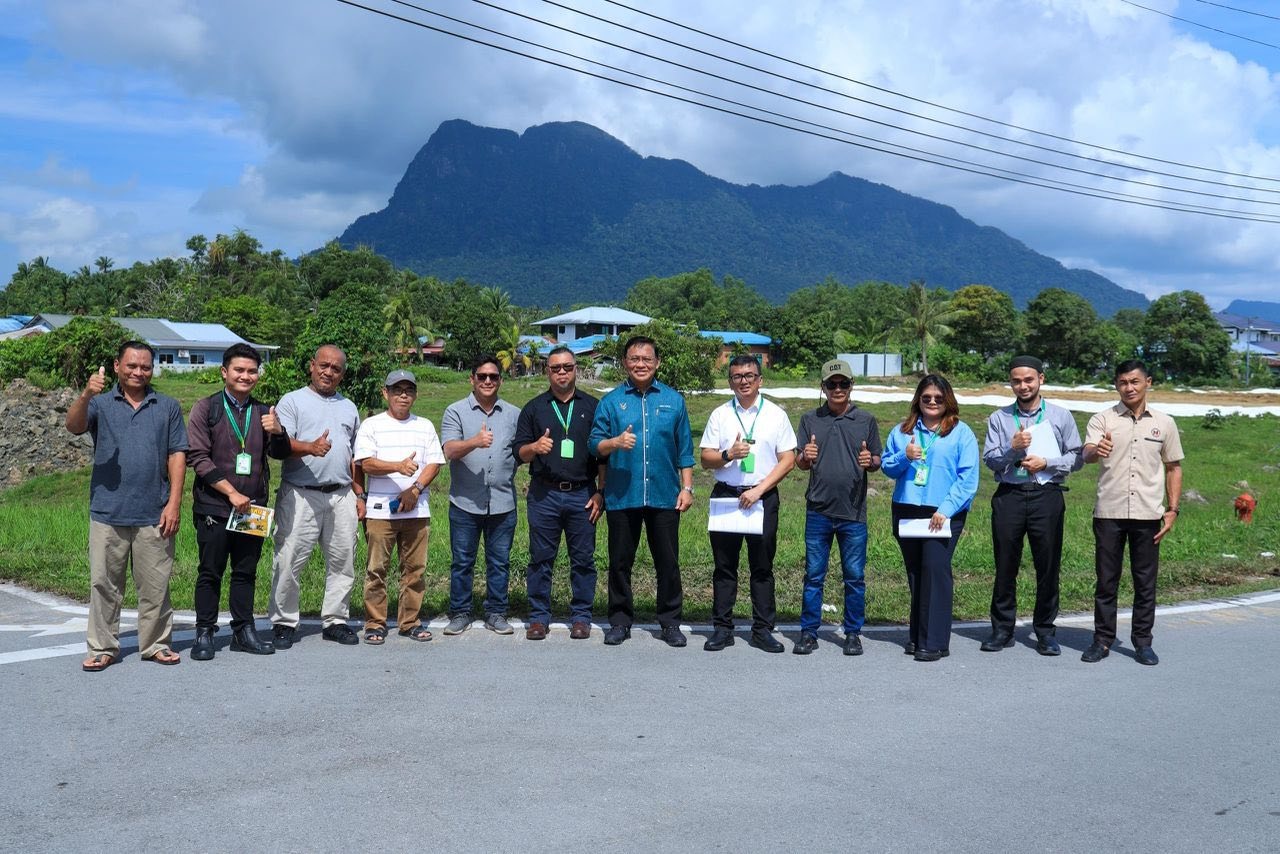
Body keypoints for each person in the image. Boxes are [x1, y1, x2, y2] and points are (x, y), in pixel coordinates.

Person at [66, 341, 188, 671]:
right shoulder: (100, 403)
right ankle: (103, 647)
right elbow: (74, 426)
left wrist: (174, 503)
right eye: (131, 365)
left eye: (145, 366)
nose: (138, 372)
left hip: (155, 511)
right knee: (103, 584)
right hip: (108, 511)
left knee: (156, 585)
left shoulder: (167, 406)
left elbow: (177, 454)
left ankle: (156, 644)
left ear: (153, 369)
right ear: (117, 366)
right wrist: (86, 394)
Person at [186, 343, 291, 661]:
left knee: (245, 572)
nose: (246, 376)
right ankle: (204, 632)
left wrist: (279, 432)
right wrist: (231, 492)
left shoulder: (263, 412)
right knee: (210, 571)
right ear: (224, 372)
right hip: (215, 507)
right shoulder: (207, 408)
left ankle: (243, 632)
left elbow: (279, 454)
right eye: (239, 370)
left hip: (252, 510)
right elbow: (197, 457)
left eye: (252, 371)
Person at [589, 335, 695, 647]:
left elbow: (685, 450)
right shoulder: (611, 402)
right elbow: (594, 445)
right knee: (620, 562)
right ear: (625, 363)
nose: (640, 364)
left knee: (668, 563)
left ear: (657, 362)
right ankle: (620, 622)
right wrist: (615, 442)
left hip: (664, 494)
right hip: (623, 495)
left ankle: (670, 622)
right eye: (634, 359)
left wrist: (687, 488)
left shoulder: (674, 400)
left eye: (647, 359)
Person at [1080, 360, 1183, 666]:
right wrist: (1095, 450)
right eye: (1123, 382)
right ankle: (1102, 640)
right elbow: (1086, 454)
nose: (1129, 388)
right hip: (1109, 513)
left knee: (1145, 583)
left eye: (1135, 381)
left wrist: (1172, 509)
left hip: (1148, 514)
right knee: (1106, 581)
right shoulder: (1103, 419)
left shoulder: (1164, 423)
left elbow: (1173, 467)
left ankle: (1143, 642)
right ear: (1116, 385)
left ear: (1147, 382)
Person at [980, 355, 1083, 656]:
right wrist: (1012, 450)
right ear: (1010, 383)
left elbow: (1077, 457)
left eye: (1028, 379)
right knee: (1005, 565)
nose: (1023, 386)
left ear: (1041, 379)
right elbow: (990, 460)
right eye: (1016, 381)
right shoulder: (999, 418)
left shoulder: (1061, 416)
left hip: (1046, 495)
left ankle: (1046, 631)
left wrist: (1047, 462)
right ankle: (1002, 629)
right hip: (1010, 495)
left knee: (1047, 566)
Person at [699, 356, 796, 653]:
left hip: (762, 497)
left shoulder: (776, 415)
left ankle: (762, 630)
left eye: (749, 375)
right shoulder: (720, 415)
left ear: (760, 379)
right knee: (724, 567)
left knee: (762, 567)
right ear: (730, 382)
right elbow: (705, 459)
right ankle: (722, 629)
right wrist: (728, 454)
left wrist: (759, 490)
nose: (744, 381)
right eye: (737, 376)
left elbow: (788, 459)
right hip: (727, 496)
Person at [268, 344, 363, 649]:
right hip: (300, 493)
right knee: (289, 560)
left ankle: (335, 620)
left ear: (342, 374)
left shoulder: (349, 407)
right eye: (324, 365)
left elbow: (354, 455)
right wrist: (310, 447)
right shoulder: (293, 401)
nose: (328, 372)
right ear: (312, 365)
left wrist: (359, 493)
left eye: (336, 369)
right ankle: (284, 622)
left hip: (341, 494)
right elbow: (281, 444)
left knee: (343, 561)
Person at [881, 374, 980, 662]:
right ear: (918, 400)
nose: (932, 402)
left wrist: (945, 510)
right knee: (916, 574)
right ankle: (918, 636)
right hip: (907, 509)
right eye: (926, 397)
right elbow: (887, 466)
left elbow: (967, 479)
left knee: (935, 571)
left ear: (948, 400)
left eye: (938, 398)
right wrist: (905, 456)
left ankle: (934, 642)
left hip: (943, 513)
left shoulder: (961, 432)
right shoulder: (902, 431)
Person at [512, 347, 605, 640]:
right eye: (555, 368)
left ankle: (581, 617)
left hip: (583, 494)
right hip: (545, 494)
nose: (561, 372)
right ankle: (539, 618)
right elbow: (519, 453)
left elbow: (603, 456)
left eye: (567, 367)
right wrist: (535, 447)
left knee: (583, 560)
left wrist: (601, 492)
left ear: (576, 369)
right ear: (547, 372)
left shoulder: (593, 406)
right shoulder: (534, 408)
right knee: (540, 559)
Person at [792, 358, 881, 656]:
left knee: (854, 577)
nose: (838, 388)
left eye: (843, 383)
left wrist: (871, 461)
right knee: (813, 576)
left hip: (853, 513)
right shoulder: (810, 419)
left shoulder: (866, 420)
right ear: (823, 387)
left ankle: (853, 633)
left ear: (851, 385)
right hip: (818, 510)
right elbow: (800, 463)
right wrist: (805, 455)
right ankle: (809, 633)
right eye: (832, 384)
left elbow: (877, 459)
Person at [353, 369, 446, 645]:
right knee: (376, 570)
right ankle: (375, 623)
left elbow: (435, 463)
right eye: (397, 390)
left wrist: (414, 489)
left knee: (415, 570)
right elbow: (365, 463)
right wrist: (398, 466)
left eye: (408, 390)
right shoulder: (371, 425)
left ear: (415, 395)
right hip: (380, 511)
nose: (403, 395)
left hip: (417, 510)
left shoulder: (425, 425)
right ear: (386, 393)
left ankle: (409, 622)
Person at [440, 355, 521, 636]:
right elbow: (449, 450)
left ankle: (496, 613)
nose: (488, 381)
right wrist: (475, 442)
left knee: (499, 562)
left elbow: (521, 452)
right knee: (462, 562)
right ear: (471, 379)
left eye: (493, 376)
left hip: (503, 502)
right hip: (465, 502)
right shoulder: (455, 411)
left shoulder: (513, 414)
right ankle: (460, 612)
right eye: (482, 376)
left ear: (501, 380)